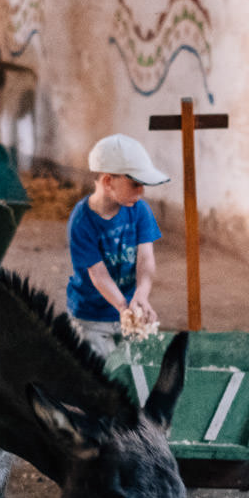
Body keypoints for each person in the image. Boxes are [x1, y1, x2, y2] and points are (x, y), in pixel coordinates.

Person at [66, 134, 170, 357]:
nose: (141, 192)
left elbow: (146, 259)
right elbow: (98, 273)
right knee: (99, 374)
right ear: (107, 181)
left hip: (129, 307)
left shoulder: (140, 210)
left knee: (131, 373)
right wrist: (124, 307)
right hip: (91, 317)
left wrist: (141, 295)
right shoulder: (82, 221)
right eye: (135, 184)